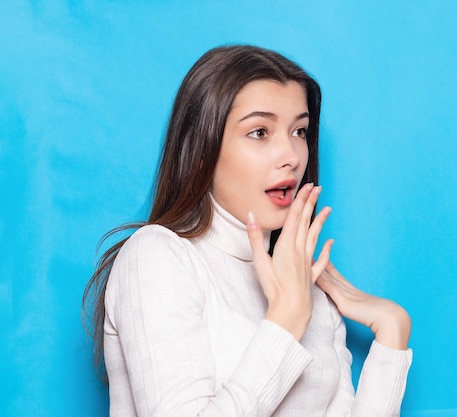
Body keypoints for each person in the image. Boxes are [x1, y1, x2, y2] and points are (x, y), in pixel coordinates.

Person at [83, 45, 412, 417]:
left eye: (299, 131)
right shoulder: (157, 256)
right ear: (202, 146)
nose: (291, 155)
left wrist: (392, 332)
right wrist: (287, 320)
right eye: (259, 132)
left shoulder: (308, 289)